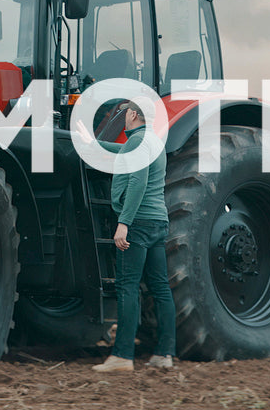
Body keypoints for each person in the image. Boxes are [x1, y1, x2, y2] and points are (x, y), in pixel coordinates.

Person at [88, 101, 177, 372]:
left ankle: (122, 356)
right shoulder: (151, 141)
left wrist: (123, 223)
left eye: (125, 112)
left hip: (137, 223)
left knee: (128, 287)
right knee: (160, 288)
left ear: (133, 114)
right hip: (158, 222)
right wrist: (92, 144)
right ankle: (164, 354)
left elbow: (137, 181)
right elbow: (124, 151)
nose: (123, 117)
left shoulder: (138, 144)